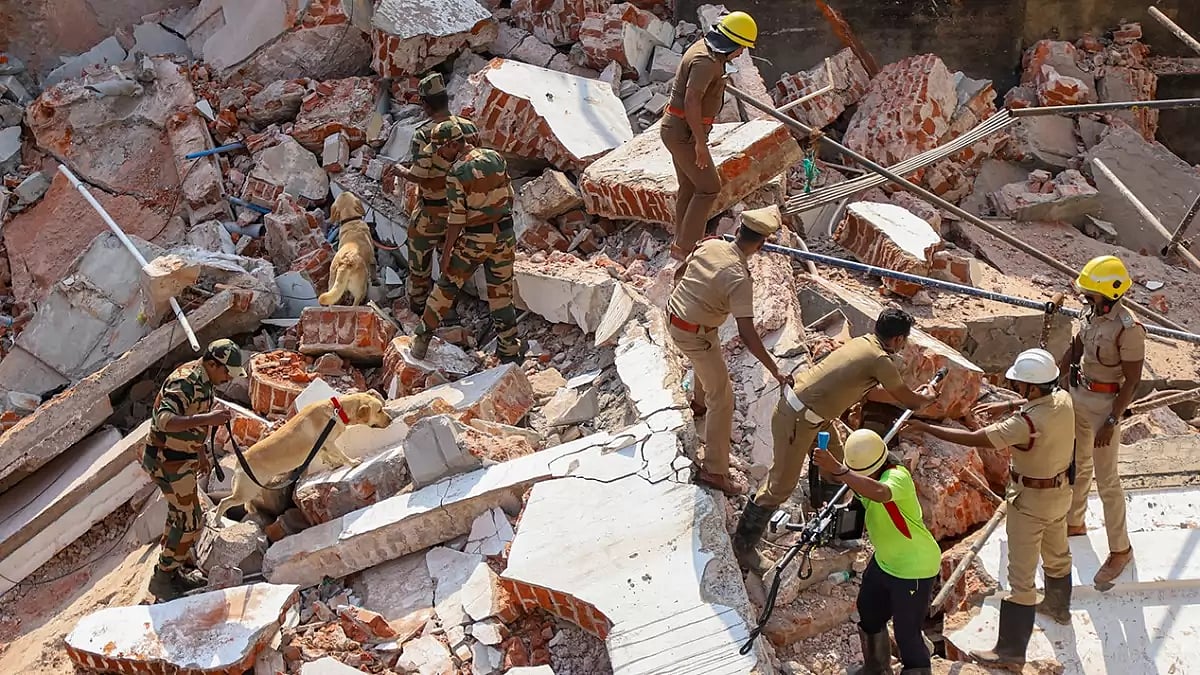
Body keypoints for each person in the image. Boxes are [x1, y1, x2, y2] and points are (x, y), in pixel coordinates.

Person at [733, 308, 938, 572]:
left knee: (837, 466)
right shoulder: (879, 359)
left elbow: (869, 388)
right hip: (798, 419)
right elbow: (908, 400)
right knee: (781, 485)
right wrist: (928, 396)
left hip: (816, 418)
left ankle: (831, 529)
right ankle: (744, 547)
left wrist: (906, 392)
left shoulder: (864, 343)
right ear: (898, 339)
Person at [909, 348, 1075, 666]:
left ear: (1032, 387)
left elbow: (979, 439)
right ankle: (1059, 606)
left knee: (1020, 578)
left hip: (1029, 501)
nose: (1016, 389)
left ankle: (1011, 651)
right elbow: (1033, 408)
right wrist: (1009, 404)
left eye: (1020, 386)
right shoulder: (1062, 400)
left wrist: (926, 428)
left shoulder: (1024, 423)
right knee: (1057, 554)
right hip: (1059, 493)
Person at [666, 206, 790, 496]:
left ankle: (698, 403)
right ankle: (714, 470)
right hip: (694, 334)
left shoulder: (711, 245)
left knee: (709, 354)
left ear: (737, 231)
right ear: (760, 245)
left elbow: (681, 270)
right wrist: (775, 370)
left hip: (676, 317)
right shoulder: (738, 278)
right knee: (723, 398)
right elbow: (747, 332)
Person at [813, 429, 940, 675]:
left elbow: (880, 494)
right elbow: (857, 507)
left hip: (914, 567)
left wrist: (841, 469)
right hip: (885, 561)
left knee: (907, 633)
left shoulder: (897, 477)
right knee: (869, 612)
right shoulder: (866, 482)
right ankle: (877, 667)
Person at [1058, 255, 1141, 587]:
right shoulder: (1091, 314)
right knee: (1078, 465)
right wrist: (1058, 375)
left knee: (1108, 482)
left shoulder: (1128, 328)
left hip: (1105, 404)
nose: (1084, 298)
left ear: (1110, 294)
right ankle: (1075, 523)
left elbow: (1132, 381)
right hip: (1079, 396)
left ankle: (1120, 550)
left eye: (1091, 294)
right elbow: (1077, 346)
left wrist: (1111, 419)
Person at [409, 119, 522, 363]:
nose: (440, 154)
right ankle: (510, 352)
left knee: (446, 286)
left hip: (475, 238)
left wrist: (448, 251)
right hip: (504, 235)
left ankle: (421, 340)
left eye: (441, 149)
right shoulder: (495, 157)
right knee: (502, 295)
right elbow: (510, 196)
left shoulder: (456, 173)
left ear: (452, 145)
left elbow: (457, 219)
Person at [143, 339, 245, 600]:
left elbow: (193, 422)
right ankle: (162, 580)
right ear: (212, 364)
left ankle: (169, 571)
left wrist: (200, 453)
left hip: (183, 459)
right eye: (226, 373)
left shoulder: (207, 381)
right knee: (190, 522)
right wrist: (208, 420)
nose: (227, 379)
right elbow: (164, 420)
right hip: (167, 461)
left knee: (180, 516)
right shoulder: (185, 382)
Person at [661, 11, 757, 264]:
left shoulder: (706, 52)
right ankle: (687, 247)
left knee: (690, 187)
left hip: (679, 130)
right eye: (742, 48)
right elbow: (692, 100)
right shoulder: (706, 61)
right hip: (684, 134)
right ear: (733, 43)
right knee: (709, 188)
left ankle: (680, 245)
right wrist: (701, 145)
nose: (741, 54)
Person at [391, 72, 479, 319]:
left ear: (425, 104)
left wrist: (399, 170)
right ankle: (447, 304)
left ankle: (420, 305)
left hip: (432, 212)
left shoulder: (424, 135)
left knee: (419, 260)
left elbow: (420, 175)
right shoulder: (468, 127)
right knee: (450, 257)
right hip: (463, 210)